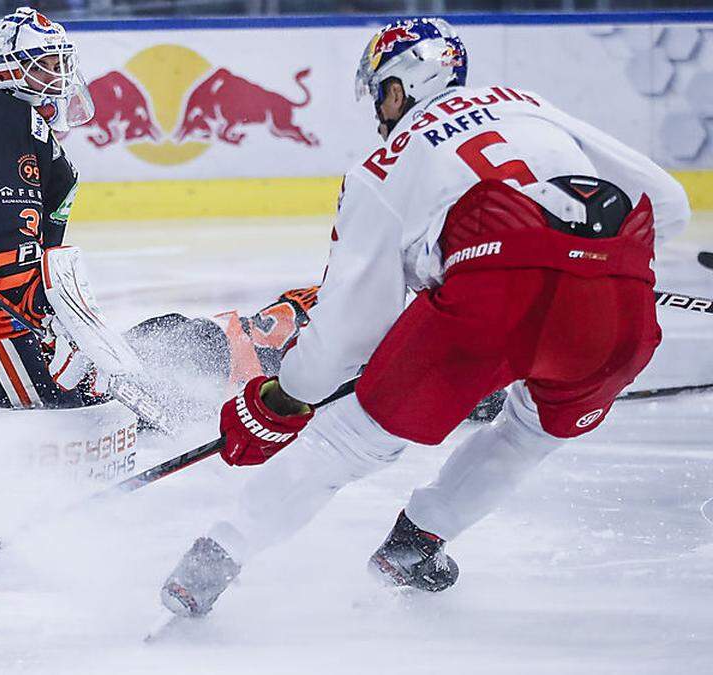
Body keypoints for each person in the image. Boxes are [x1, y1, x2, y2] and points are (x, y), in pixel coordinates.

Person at [159, 17, 690, 616]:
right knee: (532, 428)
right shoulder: (526, 103)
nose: (379, 112)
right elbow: (667, 202)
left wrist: (285, 399)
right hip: (616, 298)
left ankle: (212, 562)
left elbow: (349, 332)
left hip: (488, 304)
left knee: (350, 444)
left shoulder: (380, 169)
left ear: (399, 88)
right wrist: (594, 272)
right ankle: (415, 544)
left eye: (381, 92)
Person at [0, 7, 322, 518]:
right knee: (86, 391)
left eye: (62, 59)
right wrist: (49, 336)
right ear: (12, 68)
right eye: (48, 62)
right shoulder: (18, 122)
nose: (62, 74)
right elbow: (11, 246)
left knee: (96, 366)